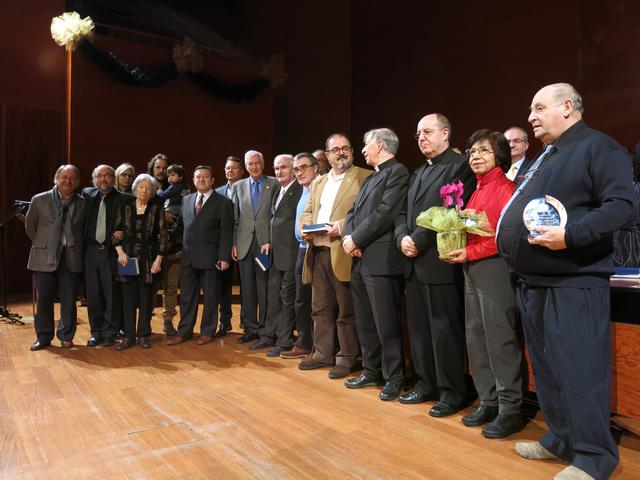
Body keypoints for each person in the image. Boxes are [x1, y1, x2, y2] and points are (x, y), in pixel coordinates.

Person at [497, 83, 634, 480]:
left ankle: (594, 457)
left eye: (539, 108)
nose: (531, 117)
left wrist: (571, 235)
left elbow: (623, 206)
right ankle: (560, 437)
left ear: (568, 107)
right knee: (548, 370)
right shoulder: (548, 155)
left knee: (580, 371)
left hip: (574, 280)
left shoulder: (599, 147)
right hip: (534, 279)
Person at [394, 113, 476, 416]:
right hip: (413, 261)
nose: (421, 138)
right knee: (418, 329)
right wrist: (402, 237)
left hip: (439, 261)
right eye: (418, 134)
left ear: (445, 133)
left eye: (427, 132)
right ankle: (425, 384)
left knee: (444, 331)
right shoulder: (417, 173)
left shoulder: (460, 166)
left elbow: (450, 209)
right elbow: (401, 213)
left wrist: (417, 240)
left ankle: (453, 392)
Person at [444, 130, 524, 439]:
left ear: (499, 155)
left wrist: (471, 251)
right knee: (476, 338)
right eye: (472, 151)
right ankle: (488, 401)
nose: (475, 156)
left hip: (494, 269)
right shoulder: (475, 189)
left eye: (484, 151)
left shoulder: (507, 189)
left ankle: (510, 409)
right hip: (471, 268)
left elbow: (505, 239)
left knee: (499, 339)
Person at [342, 128, 409, 401]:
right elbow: (352, 211)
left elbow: (385, 213)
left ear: (380, 145)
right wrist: (350, 238)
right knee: (366, 321)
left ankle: (395, 377)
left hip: (381, 261)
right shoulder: (371, 177)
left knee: (386, 323)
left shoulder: (398, 172)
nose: (362, 150)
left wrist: (356, 238)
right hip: (360, 258)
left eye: (365, 145)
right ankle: (371, 370)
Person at [298, 133, 372, 379]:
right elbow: (308, 211)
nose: (341, 153)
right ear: (327, 155)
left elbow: (365, 214)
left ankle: (347, 357)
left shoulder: (364, 176)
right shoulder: (319, 182)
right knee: (319, 307)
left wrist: (339, 226)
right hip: (317, 251)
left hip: (343, 250)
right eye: (336, 149)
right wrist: (304, 226)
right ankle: (322, 353)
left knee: (346, 309)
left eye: (345, 148)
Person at [167, 166, 233, 345]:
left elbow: (227, 232)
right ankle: (184, 331)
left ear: (212, 180)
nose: (201, 179)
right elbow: (181, 227)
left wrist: (224, 257)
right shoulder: (187, 200)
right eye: (198, 177)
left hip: (212, 258)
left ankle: (207, 331)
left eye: (205, 177)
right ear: (193, 180)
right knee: (187, 297)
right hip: (188, 258)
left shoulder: (223, 202)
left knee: (211, 297)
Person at [26, 165, 86, 351]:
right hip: (45, 256)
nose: (68, 181)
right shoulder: (39, 200)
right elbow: (30, 227)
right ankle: (44, 337)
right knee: (43, 301)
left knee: (69, 301)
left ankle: (66, 336)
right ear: (56, 179)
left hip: (71, 256)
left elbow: (84, 231)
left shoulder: (83, 203)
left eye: (73, 178)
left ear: (78, 182)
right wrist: (47, 244)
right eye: (64, 177)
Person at [250, 154, 302, 356]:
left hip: (291, 253)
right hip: (274, 254)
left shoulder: (299, 190)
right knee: (273, 298)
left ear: (293, 170)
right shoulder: (277, 190)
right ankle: (268, 336)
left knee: (287, 299)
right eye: (276, 168)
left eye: (284, 167)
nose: (279, 171)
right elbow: (274, 221)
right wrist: (268, 242)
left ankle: (284, 341)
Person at [113, 174, 167, 350]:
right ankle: (128, 336)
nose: (145, 191)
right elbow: (115, 233)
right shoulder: (125, 207)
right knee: (128, 298)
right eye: (141, 187)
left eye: (149, 188)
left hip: (149, 259)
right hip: (127, 258)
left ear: (153, 192)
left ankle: (143, 335)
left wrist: (158, 260)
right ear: (135, 189)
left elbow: (164, 237)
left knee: (146, 299)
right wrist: (120, 252)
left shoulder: (156, 209)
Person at [83, 165, 133, 347]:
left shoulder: (125, 199)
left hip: (111, 252)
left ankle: (110, 332)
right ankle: (96, 332)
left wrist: (124, 233)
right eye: (99, 176)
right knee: (93, 295)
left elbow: (134, 222)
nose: (103, 179)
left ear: (114, 178)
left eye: (107, 176)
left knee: (112, 294)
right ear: (94, 179)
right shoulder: (87, 195)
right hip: (90, 251)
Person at [231, 151, 278, 344]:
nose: (254, 167)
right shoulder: (238, 186)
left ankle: (265, 328)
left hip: (265, 244)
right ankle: (250, 328)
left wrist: (271, 240)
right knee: (247, 288)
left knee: (264, 288)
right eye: (250, 164)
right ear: (246, 166)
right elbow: (235, 218)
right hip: (244, 244)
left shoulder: (274, 183)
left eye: (257, 163)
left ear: (263, 163)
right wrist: (234, 243)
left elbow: (275, 215)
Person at [280, 152, 319, 359]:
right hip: (301, 249)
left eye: (304, 167)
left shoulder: (320, 188)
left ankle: (314, 345)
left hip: (315, 249)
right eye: (296, 169)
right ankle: (305, 341)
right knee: (301, 299)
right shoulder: (303, 190)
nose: (299, 172)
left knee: (312, 300)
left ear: (316, 168)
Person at [156, 163, 190, 335]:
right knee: (153, 288)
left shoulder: (175, 191)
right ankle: (144, 326)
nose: (167, 175)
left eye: (172, 174)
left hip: (176, 248)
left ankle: (171, 322)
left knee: (173, 286)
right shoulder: (151, 193)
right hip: (155, 250)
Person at [214, 156, 244, 336]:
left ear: (241, 171)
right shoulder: (217, 193)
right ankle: (225, 322)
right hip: (224, 244)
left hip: (245, 242)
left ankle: (246, 320)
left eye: (233, 168)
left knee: (246, 284)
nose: (230, 171)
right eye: (227, 168)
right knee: (223, 284)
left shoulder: (247, 189)